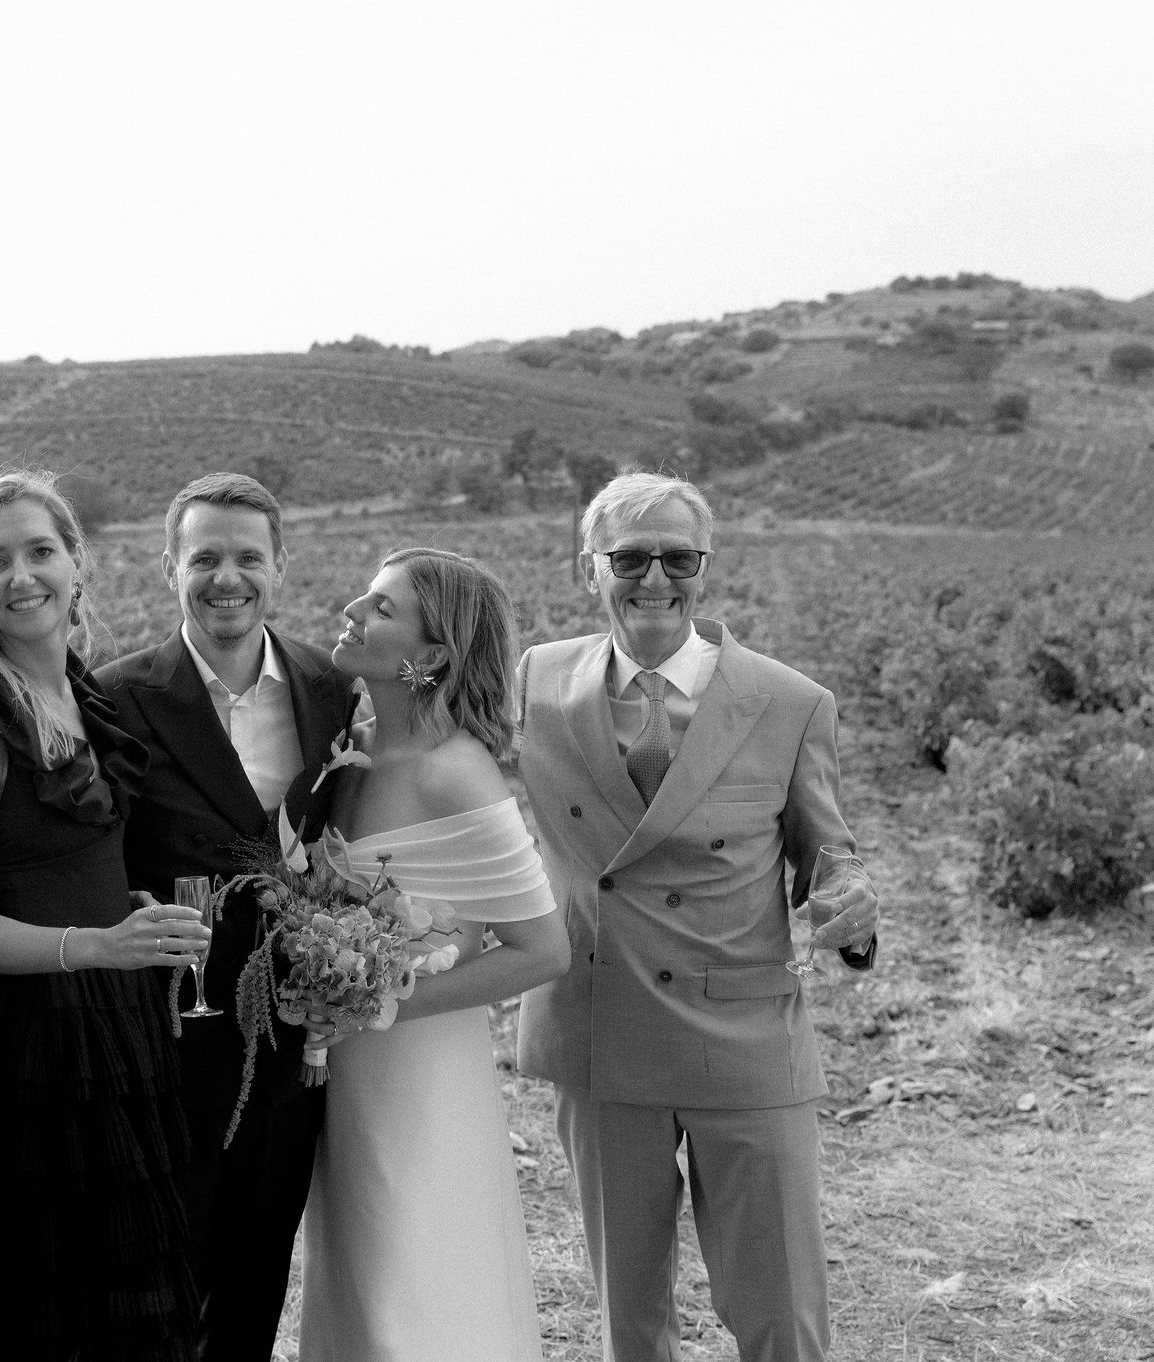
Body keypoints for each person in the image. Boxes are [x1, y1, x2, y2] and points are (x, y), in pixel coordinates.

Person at [515, 471, 881, 1362]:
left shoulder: (791, 702)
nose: (655, 578)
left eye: (678, 558)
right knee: (629, 1317)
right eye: (629, 558)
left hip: (743, 1037)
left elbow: (828, 852)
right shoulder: (537, 679)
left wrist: (852, 907)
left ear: (705, 567)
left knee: (781, 1312)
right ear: (588, 568)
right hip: (599, 1029)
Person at [0, 469, 211, 1362]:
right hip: (36, 1047)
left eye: (40, 551)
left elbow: (68, 864)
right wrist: (99, 942)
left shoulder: (84, 694)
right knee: (50, 1313)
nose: (21, 576)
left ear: (77, 563)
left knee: (132, 1303)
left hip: (120, 1023)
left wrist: (127, 913)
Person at [96, 471, 358, 1361]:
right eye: (204, 558)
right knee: (153, 1297)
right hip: (163, 1046)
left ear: (281, 565)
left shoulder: (331, 689)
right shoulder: (116, 698)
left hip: (291, 1048)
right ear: (169, 567)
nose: (227, 578)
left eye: (248, 557)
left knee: (254, 1285)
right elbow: (91, 857)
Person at [297, 548, 570, 1362]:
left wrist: (372, 1003)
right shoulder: (349, 751)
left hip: (418, 1072)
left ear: (434, 656)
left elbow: (542, 949)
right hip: (343, 1071)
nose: (353, 611)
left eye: (383, 608)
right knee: (356, 1282)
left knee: (412, 1283)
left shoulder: (456, 772)